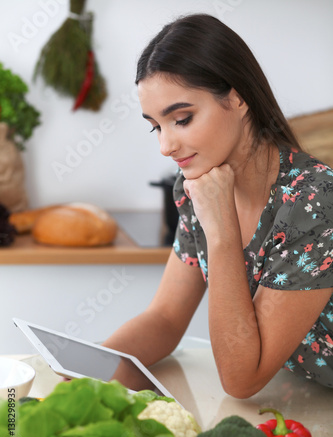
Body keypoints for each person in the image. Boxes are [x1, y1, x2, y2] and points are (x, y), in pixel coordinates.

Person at [103, 13, 333, 398]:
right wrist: (89, 369)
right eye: (156, 126)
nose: (166, 146)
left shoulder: (313, 201)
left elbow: (242, 380)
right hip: (307, 395)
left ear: (237, 97)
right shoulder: (199, 186)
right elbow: (165, 318)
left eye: (182, 118)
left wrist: (222, 232)